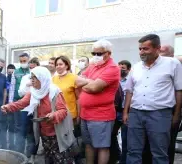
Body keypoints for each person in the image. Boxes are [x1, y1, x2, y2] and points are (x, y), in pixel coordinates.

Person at [123, 34, 182, 164]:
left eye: (145, 49)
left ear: (157, 48)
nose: (141, 52)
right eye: (140, 49)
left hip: (160, 114)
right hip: (136, 114)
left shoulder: (173, 64)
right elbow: (129, 91)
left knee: (159, 153)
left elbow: (179, 90)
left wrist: (176, 115)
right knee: (133, 151)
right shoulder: (136, 67)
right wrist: (126, 112)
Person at [2, 66, 75, 164]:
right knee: (49, 159)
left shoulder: (54, 91)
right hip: (45, 133)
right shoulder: (33, 92)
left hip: (58, 134)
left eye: (34, 77)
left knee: (62, 160)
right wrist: (8, 107)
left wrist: (53, 115)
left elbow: (63, 111)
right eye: (31, 77)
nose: (31, 80)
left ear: (42, 78)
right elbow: (21, 103)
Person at [76, 39, 120, 164]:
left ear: (108, 53)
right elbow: (78, 82)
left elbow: (94, 87)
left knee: (102, 147)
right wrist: (91, 82)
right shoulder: (93, 66)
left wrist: (88, 83)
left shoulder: (112, 68)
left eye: (99, 54)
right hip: (85, 114)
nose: (96, 56)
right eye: (93, 53)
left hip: (101, 115)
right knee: (88, 145)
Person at [17, 57, 40, 163]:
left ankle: (32, 156)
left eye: (34, 67)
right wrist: (27, 85)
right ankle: (20, 155)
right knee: (22, 132)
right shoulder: (25, 78)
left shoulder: (42, 77)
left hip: (37, 109)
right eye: (30, 68)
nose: (32, 70)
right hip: (25, 109)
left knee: (34, 133)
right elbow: (20, 93)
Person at [8, 52, 30, 152]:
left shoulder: (32, 71)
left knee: (28, 128)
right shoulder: (15, 72)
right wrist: (10, 103)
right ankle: (19, 150)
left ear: (28, 60)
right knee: (18, 126)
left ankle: (29, 152)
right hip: (17, 103)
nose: (23, 63)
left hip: (30, 104)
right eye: (21, 61)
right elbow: (12, 89)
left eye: (24, 61)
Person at [116, 60, 131, 164]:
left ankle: (124, 160)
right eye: (119, 67)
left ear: (128, 69)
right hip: (115, 111)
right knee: (112, 136)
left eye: (123, 68)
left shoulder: (130, 80)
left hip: (127, 112)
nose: (120, 69)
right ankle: (116, 156)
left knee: (125, 138)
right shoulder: (114, 80)